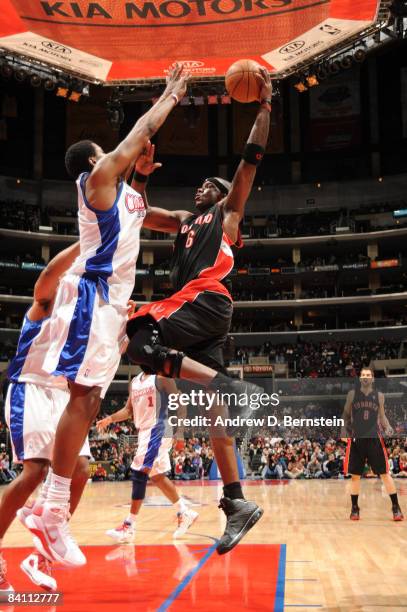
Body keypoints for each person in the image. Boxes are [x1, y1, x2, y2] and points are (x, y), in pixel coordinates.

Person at [25, 64, 191, 568]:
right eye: (116, 158)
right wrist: (169, 94)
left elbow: (165, 220)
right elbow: (139, 134)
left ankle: (49, 511)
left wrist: (212, 221)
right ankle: (51, 511)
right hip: (92, 299)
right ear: (98, 161)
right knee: (84, 398)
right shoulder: (95, 180)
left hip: (111, 306)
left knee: (91, 399)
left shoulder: (125, 195)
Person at [125, 67, 272, 554]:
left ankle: (231, 386)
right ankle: (237, 503)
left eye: (207, 185)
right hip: (203, 316)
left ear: (220, 191)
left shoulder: (227, 213)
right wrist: (140, 176)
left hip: (205, 297)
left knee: (138, 335)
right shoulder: (186, 221)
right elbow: (140, 213)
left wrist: (264, 109)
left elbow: (249, 161)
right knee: (218, 419)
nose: (198, 191)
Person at [0, 243, 91, 593]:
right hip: (31, 389)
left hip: (63, 398)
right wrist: (87, 242)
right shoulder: (44, 304)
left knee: (81, 470)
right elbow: (46, 278)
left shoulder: (80, 318)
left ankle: (42, 552)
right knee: (35, 471)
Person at [97, 372, 198, 542]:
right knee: (157, 476)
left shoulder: (162, 378)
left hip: (159, 427)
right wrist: (111, 419)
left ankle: (129, 526)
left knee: (139, 472)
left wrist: (180, 429)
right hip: (145, 430)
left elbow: (181, 403)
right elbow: (128, 410)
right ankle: (184, 511)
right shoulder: (135, 381)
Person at [341, 367, 404, 521]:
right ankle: (355, 508)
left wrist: (388, 427)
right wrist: (343, 431)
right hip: (356, 439)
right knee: (355, 476)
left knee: (384, 474)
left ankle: (395, 507)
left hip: (374, 439)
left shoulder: (380, 396)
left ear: (373, 379)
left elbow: (382, 417)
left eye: (368, 375)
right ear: (360, 378)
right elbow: (345, 415)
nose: (366, 377)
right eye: (363, 375)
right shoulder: (352, 395)